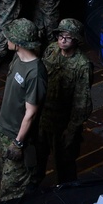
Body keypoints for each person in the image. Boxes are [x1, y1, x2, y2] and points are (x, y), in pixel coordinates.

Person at [0, 18, 47, 201]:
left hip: (17, 139)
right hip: (3, 130)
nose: (6, 40)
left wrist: (18, 143)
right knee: (0, 179)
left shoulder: (35, 73)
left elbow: (31, 113)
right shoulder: (17, 58)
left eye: (9, 37)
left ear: (18, 43)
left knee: (12, 193)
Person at [35, 18, 92, 186]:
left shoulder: (83, 65)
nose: (63, 40)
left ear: (76, 40)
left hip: (64, 123)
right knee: (36, 160)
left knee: (65, 165)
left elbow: (82, 102)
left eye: (68, 36)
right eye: (60, 35)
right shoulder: (51, 50)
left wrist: (72, 130)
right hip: (43, 117)